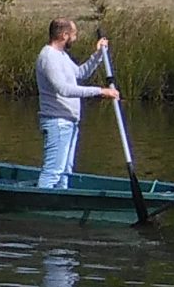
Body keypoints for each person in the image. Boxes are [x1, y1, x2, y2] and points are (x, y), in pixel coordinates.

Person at [35, 18, 115, 189]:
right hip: (57, 122)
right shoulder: (48, 57)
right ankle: (39, 206)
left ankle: (60, 208)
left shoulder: (61, 56)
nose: (75, 38)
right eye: (74, 34)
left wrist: (99, 54)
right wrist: (100, 91)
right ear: (64, 35)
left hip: (69, 122)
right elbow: (63, 89)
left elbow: (80, 73)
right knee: (53, 172)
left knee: (65, 172)